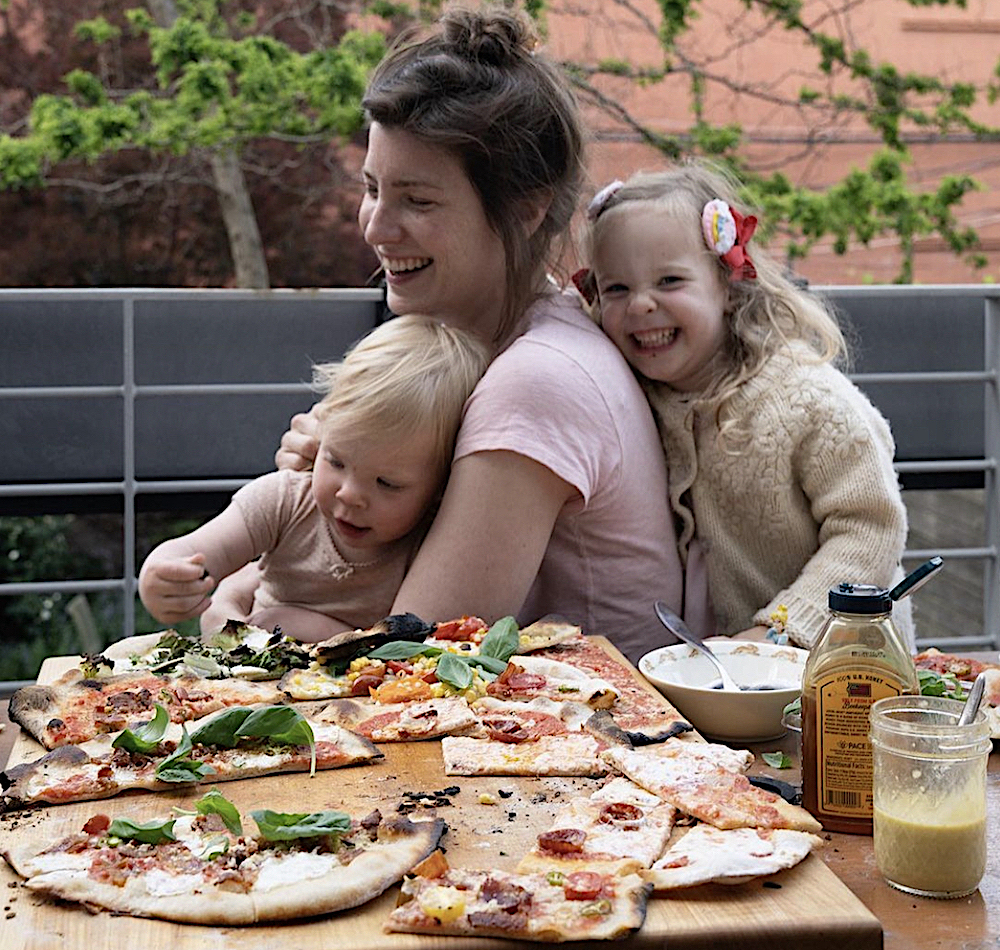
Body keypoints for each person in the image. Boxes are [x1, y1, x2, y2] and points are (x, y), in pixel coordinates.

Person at [224, 4, 685, 664]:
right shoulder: (461, 352)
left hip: (602, 743)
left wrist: (254, 616)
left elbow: (407, 655)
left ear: (524, 213)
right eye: (372, 188)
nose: (376, 227)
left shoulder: (537, 379)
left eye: (418, 200)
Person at [579, 162, 913, 649]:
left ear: (729, 286)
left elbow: (870, 528)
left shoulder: (808, 399)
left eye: (669, 280)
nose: (641, 305)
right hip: (728, 682)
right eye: (617, 288)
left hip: (846, 675)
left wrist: (779, 629)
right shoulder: (636, 392)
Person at [138, 315, 489, 642]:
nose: (350, 494)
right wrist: (163, 577)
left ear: (440, 491)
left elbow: (395, 650)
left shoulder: (429, 548)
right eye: (336, 460)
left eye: (387, 483)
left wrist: (294, 622)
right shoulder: (285, 501)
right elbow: (197, 551)